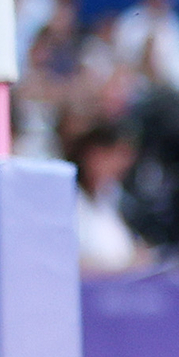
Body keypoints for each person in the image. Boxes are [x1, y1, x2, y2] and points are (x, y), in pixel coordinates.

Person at [67, 115, 152, 277]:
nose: (121, 166)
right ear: (93, 155)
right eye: (115, 156)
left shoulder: (110, 198)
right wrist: (120, 267)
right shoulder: (70, 201)